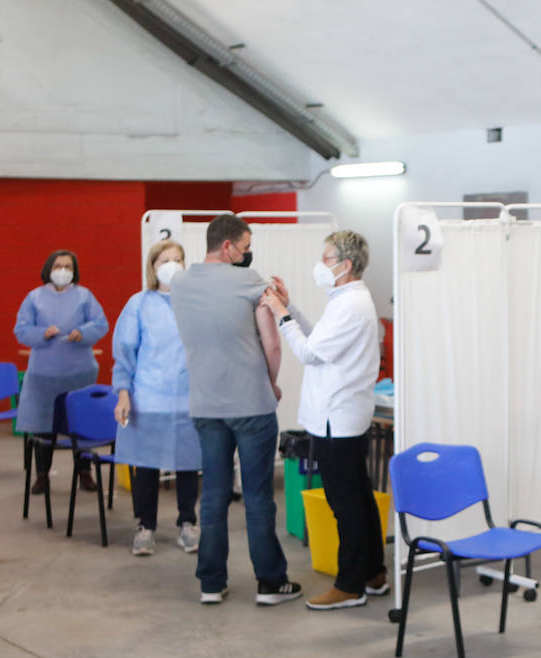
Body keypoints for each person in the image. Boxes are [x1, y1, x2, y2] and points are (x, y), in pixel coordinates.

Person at [168, 214, 300, 607]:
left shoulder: (180, 284)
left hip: (206, 404)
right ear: (227, 246)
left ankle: (211, 582)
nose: (247, 254)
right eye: (244, 246)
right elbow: (272, 345)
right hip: (252, 405)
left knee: (213, 495)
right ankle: (270, 583)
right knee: (258, 496)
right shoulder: (250, 282)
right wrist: (272, 382)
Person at [257, 230, 387, 610]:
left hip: (338, 418)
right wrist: (291, 307)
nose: (321, 264)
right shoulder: (346, 300)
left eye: (327, 258)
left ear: (345, 265)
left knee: (345, 502)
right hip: (344, 414)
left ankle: (350, 585)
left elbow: (310, 352)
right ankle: (373, 572)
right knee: (359, 497)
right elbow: (320, 338)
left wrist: (280, 315)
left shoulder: (350, 304)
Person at [111, 239, 202, 557]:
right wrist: (124, 394)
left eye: (178, 259)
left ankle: (188, 523)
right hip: (148, 398)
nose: (172, 265)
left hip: (187, 399)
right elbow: (125, 353)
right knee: (146, 465)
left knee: (189, 464)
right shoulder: (139, 304)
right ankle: (145, 526)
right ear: (153, 267)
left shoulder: (194, 303)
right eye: (166, 259)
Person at [13, 249, 109, 495]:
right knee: (43, 425)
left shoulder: (84, 296)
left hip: (79, 374)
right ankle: (42, 475)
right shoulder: (34, 298)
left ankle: (84, 472)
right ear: (49, 269)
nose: (63, 271)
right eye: (58, 266)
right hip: (43, 376)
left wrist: (83, 333)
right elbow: (21, 329)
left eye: (68, 266)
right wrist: (42, 334)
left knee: (81, 425)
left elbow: (100, 324)